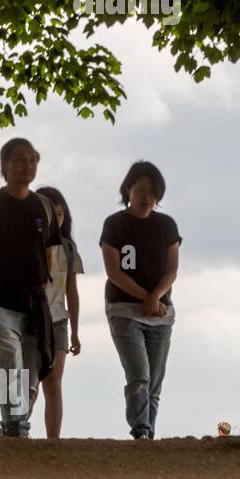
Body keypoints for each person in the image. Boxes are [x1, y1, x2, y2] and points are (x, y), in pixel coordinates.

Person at [0, 138, 62, 438]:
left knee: (31, 376)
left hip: (34, 304)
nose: (26, 166)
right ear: (4, 166)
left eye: (32, 160)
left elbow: (52, 257)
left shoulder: (43, 207)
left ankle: (9, 429)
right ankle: (16, 426)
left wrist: (49, 299)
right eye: (19, 159)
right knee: (9, 360)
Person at [99, 161, 181, 440]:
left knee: (155, 382)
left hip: (160, 312)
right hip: (124, 310)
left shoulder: (167, 225)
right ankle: (141, 430)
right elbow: (113, 271)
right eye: (140, 189)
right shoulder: (115, 224)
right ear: (128, 190)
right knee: (139, 375)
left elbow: (172, 269)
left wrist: (156, 297)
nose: (146, 196)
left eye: (152, 191)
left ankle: (148, 438)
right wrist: (145, 298)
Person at [32, 185, 83, 438]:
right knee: (29, 383)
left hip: (58, 321)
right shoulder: (26, 242)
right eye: (51, 213)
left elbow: (71, 291)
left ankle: (53, 440)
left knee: (53, 384)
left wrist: (75, 331)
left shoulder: (68, 249)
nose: (57, 218)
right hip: (30, 320)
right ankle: (16, 434)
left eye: (61, 214)